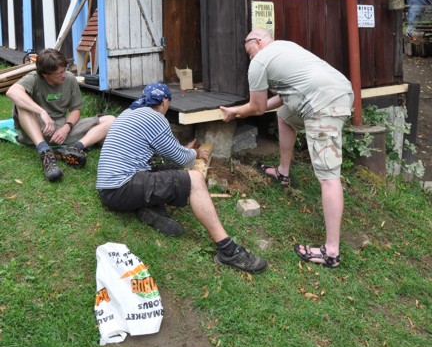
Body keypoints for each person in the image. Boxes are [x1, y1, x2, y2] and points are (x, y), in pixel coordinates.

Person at [96, 82, 267, 274]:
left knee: (167, 170)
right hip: (122, 187)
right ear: (165, 101)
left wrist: (184, 149)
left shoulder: (130, 112)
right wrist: (195, 152)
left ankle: (148, 209)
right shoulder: (155, 119)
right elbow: (182, 158)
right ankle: (227, 249)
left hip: (109, 188)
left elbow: (166, 153)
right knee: (194, 179)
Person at [220, 29, 353, 269]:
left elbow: (258, 107)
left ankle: (331, 252)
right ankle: (283, 172)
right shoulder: (285, 48)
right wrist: (243, 108)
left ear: (258, 41)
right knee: (285, 116)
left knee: (328, 177)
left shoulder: (260, 61)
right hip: (339, 92)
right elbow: (281, 99)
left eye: (248, 50)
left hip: (324, 104)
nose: (249, 57)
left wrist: (235, 111)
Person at [6, 48, 116, 183]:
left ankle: (74, 148)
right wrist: (42, 112)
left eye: (65, 69)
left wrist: (66, 128)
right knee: (21, 105)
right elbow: (12, 92)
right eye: (59, 73)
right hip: (35, 129)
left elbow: (76, 110)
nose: (64, 74)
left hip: (60, 130)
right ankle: (45, 152)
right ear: (45, 74)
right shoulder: (34, 77)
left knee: (110, 120)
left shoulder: (69, 78)